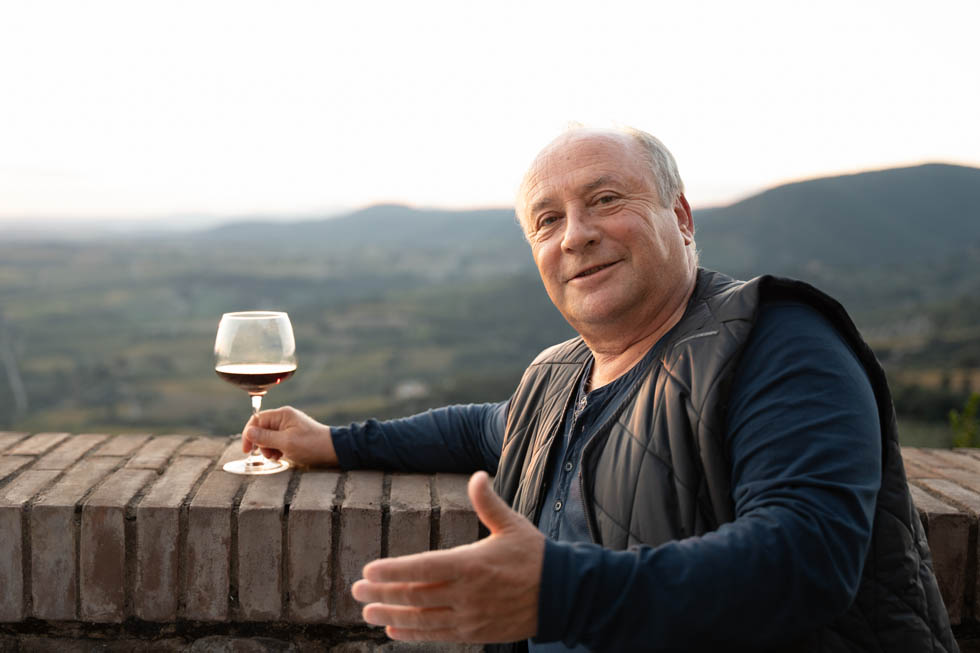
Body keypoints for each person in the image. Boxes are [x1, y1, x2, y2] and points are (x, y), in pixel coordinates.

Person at [242, 127, 959, 652]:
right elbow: (478, 428)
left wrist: (559, 589)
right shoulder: (557, 376)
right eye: (547, 220)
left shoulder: (776, 338)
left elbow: (806, 558)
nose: (575, 235)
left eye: (605, 199)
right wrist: (333, 442)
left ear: (681, 217)